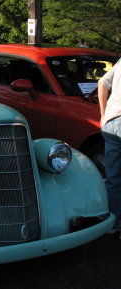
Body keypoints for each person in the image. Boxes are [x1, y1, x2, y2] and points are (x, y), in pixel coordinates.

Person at [98, 58, 121, 238]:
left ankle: (110, 222)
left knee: (114, 177)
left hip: (112, 121)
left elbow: (102, 82)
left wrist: (103, 114)